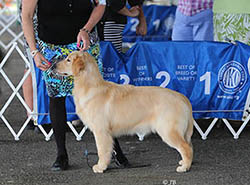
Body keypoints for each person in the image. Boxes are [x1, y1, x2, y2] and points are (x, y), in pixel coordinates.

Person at [21, 0, 106, 171]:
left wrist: (86, 29)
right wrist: (34, 51)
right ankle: (61, 155)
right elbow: (27, 16)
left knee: (97, 97)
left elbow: (101, 4)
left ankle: (113, 151)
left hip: (84, 43)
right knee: (56, 97)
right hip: (52, 47)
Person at [96, 0, 147, 168]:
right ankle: (114, 150)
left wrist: (140, 18)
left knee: (108, 83)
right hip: (105, 23)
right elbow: (111, 2)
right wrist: (132, 14)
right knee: (106, 82)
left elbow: (134, 3)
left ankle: (112, 146)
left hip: (112, 24)